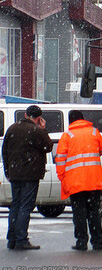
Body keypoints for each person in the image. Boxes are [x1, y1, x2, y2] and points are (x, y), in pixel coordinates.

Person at [2, 105, 52, 250]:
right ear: (39, 118)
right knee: (25, 206)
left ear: (25, 114)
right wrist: (43, 129)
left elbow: (4, 151)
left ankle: (12, 239)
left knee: (15, 205)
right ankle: (21, 239)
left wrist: (8, 171)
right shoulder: (36, 131)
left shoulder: (12, 129)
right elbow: (48, 146)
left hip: (15, 173)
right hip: (31, 174)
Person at [55, 110, 102, 251]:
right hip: (94, 181)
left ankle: (82, 242)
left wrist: (62, 177)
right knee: (94, 213)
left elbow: (60, 159)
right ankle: (97, 242)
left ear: (71, 121)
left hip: (76, 182)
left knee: (79, 213)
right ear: (83, 119)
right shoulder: (94, 132)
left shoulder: (67, 136)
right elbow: (101, 150)